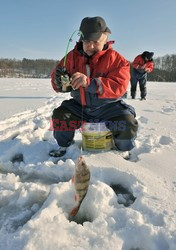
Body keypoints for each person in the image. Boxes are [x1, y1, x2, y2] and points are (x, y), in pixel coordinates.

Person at [50, 16, 138, 159]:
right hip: (80, 106)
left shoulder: (118, 60)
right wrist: (58, 81)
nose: (91, 46)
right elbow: (56, 81)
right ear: (81, 40)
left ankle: (122, 150)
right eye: (87, 41)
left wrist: (90, 83)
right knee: (61, 116)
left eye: (95, 42)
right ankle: (64, 145)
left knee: (127, 122)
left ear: (105, 37)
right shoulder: (71, 57)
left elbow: (118, 87)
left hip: (108, 107)